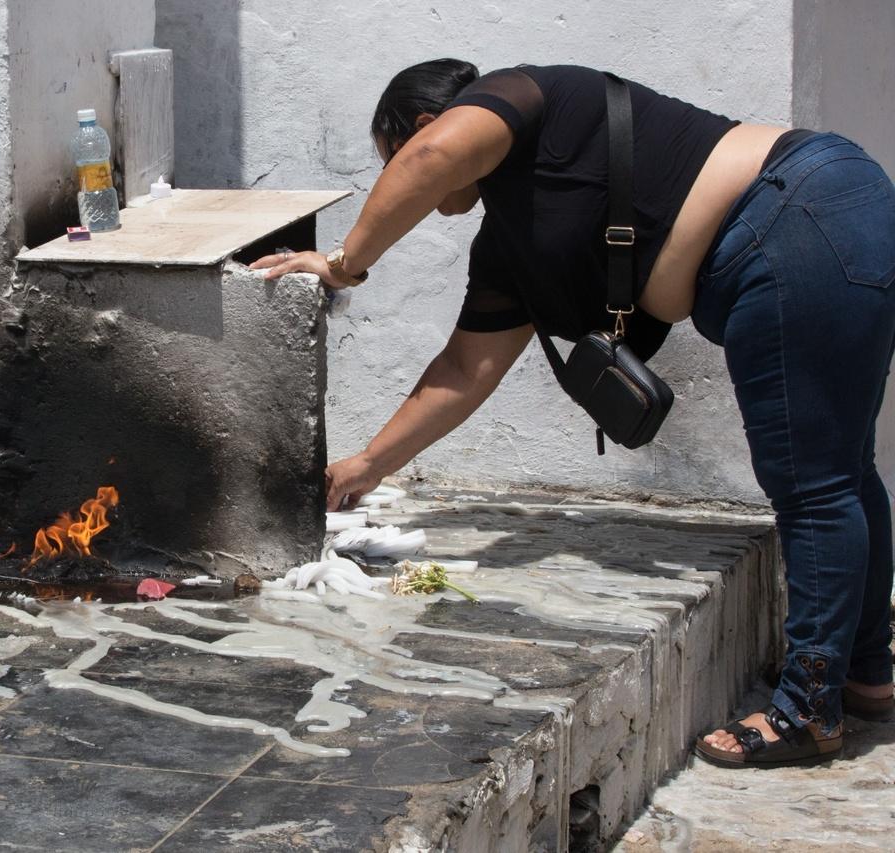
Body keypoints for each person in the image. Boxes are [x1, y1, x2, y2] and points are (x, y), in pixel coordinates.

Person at [252, 60, 895, 769]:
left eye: (396, 155)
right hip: (824, 214)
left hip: (794, 218)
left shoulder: (530, 94)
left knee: (813, 486)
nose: (424, 191)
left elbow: (434, 159)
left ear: (429, 127)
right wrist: (364, 466)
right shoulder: (511, 240)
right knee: (842, 471)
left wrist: (344, 264)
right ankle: (863, 673)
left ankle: (808, 711)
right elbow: (466, 370)